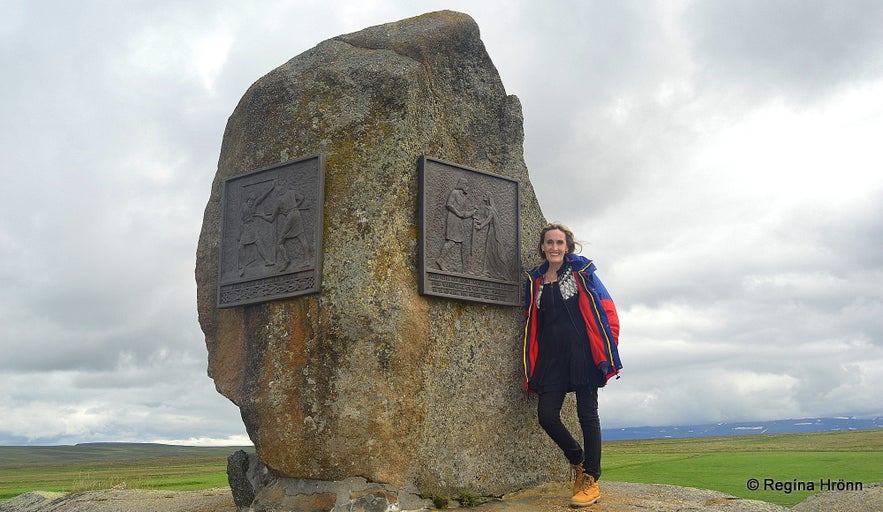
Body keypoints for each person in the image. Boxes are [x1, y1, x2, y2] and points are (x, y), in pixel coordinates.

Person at [522, 223, 622, 507]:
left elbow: (606, 308)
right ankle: (577, 460)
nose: (554, 247)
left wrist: (606, 347)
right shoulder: (536, 280)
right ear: (542, 247)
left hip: (582, 354)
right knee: (547, 416)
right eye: (549, 242)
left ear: (568, 247)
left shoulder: (582, 272)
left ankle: (591, 479)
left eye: (560, 243)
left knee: (587, 416)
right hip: (552, 358)